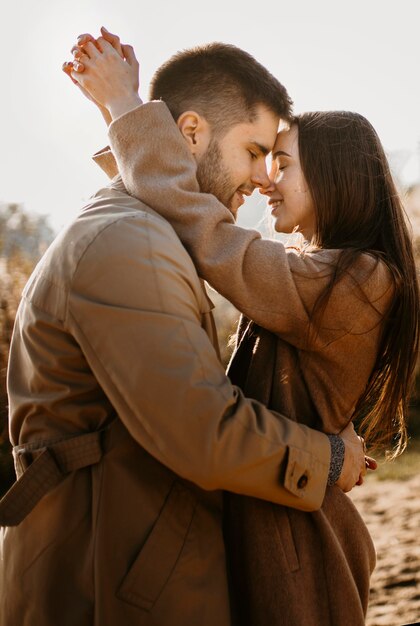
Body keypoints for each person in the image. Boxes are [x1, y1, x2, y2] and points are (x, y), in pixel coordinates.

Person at [0, 37, 368, 626]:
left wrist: (126, 116)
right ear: (191, 132)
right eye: (252, 150)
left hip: (130, 561)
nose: (259, 178)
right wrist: (325, 460)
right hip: (110, 582)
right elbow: (201, 427)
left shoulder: (142, 231)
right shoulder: (129, 241)